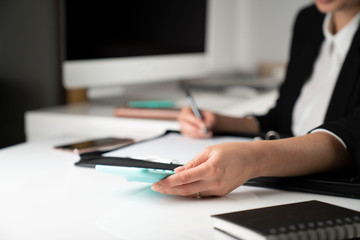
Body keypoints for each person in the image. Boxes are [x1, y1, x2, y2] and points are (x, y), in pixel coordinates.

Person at [151, 0, 360, 198]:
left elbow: (354, 135)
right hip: (285, 185)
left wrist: (253, 159)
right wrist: (218, 121)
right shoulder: (309, 20)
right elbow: (283, 118)